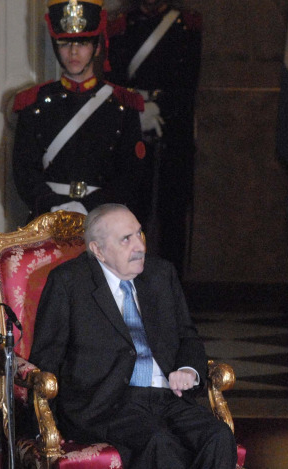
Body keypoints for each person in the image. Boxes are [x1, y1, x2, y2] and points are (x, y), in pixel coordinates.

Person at [29, 203, 237, 469]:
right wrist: (44, 423)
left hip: (167, 396)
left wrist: (188, 370)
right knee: (158, 442)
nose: (139, 246)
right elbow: (47, 355)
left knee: (218, 435)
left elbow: (188, 337)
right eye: (126, 239)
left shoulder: (161, 274)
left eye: (139, 234)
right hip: (105, 404)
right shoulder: (69, 282)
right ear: (98, 250)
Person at [12, 0, 147, 220]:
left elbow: (130, 175)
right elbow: (24, 171)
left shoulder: (123, 104)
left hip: (103, 219)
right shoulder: (34, 103)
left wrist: (88, 207)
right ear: (56, 47)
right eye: (65, 43)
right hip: (49, 218)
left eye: (82, 43)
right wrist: (55, 207)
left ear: (97, 47)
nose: (73, 52)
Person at [106, 0, 202, 276]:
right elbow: (113, 82)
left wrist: (161, 108)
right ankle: (131, 284)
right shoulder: (121, 25)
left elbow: (189, 83)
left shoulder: (187, 24)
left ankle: (172, 287)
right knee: (133, 213)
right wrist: (138, 110)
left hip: (174, 131)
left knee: (173, 214)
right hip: (132, 129)